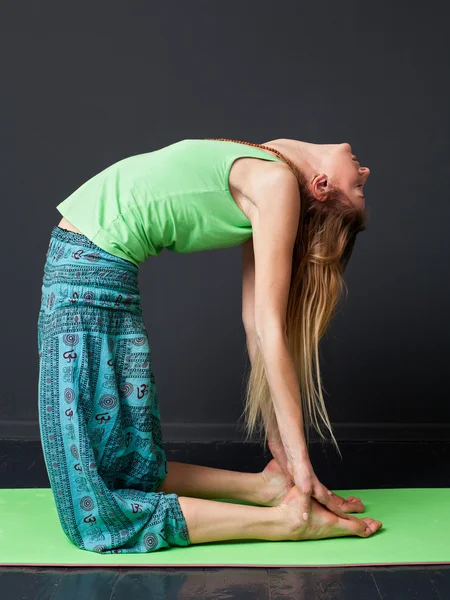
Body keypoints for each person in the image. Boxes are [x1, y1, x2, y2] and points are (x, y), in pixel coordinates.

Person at [37, 137, 381, 554]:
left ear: (321, 186)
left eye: (358, 188)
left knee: (92, 516)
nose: (364, 173)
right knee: (123, 468)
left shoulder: (275, 182)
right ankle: (268, 488)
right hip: (93, 275)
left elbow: (264, 329)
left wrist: (302, 464)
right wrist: (283, 456)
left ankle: (285, 520)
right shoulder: (272, 171)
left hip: (86, 278)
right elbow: (256, 327)